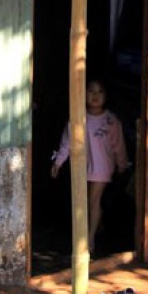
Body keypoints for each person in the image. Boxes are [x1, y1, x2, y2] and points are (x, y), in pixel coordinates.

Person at [50, 78, 130, 253]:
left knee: (93, 201)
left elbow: (119, 145)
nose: (95, 96)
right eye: (91, 91)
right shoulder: (78, 118)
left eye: (100, 91)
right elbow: (67, 142)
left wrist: (122, 164)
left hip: (103, 166)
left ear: (106, 96)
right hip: (82, 166)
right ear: (83, 94)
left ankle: (89, 239)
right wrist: (58, 162)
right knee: (88, 201)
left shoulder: (111, 120)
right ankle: (95, 226)